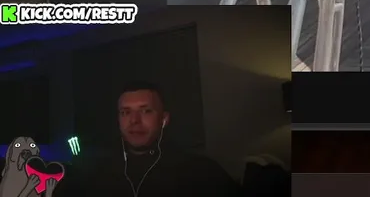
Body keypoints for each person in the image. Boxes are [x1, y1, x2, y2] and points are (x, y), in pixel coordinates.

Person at [56, 81, 240, 197]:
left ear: (164, 119)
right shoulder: (92, 173)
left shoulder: (201, 172)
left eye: (146, 111)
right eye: (125, 112)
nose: (134, 121)